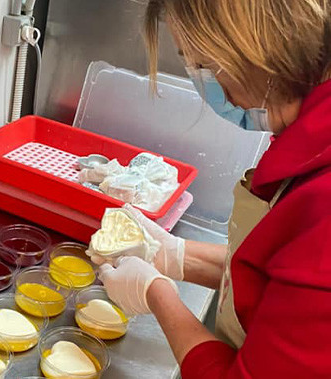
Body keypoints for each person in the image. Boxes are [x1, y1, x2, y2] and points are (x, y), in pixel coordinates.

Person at [96, 1, 331, 378]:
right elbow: (279, 279)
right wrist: (175, 255)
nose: (206, 85)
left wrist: (156, 292)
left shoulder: (325, 197)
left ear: (255, 49)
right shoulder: (306, 137)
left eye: (204, 65)